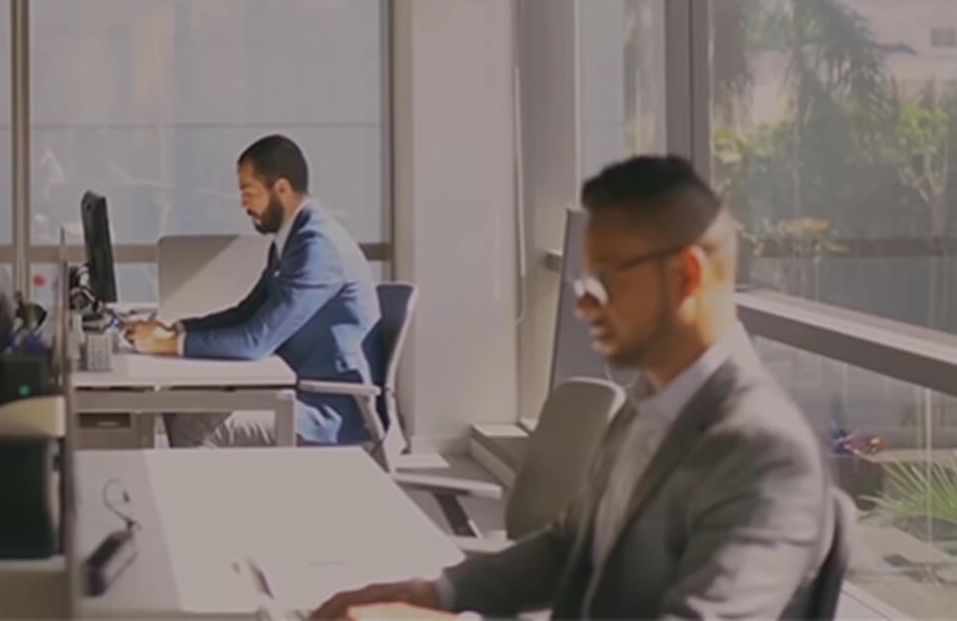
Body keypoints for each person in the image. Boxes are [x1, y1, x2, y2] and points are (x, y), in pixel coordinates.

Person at [314, 156, 831, 620]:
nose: (584, 305)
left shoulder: (764, 453)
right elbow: (571, 547)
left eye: (604, 281)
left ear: (685, 275)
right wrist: (433, 594)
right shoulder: (647, 403)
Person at [125, 135, 382, 448]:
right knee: (178, 401)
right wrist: (175, 329)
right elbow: (247, 311)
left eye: (249, 193)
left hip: (328, 411)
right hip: (296, 388)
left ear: (282, 189)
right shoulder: (292, 238)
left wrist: (170, 345)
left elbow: (255, 341)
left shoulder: (318, 248)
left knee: (195, 424)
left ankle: (205, 499)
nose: (243, 204)